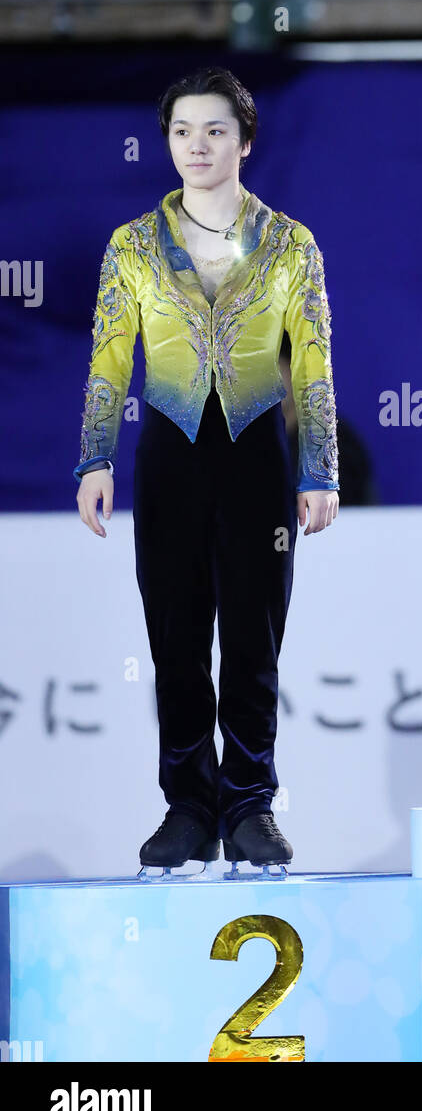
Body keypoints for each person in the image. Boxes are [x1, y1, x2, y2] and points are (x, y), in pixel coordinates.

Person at [74, 66, 339, 867]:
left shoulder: (292, 244)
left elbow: (315, 362)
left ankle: (250, 804)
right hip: (170, 448)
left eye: (215, 130)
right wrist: (95, 457)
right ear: (166, 142)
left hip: (258, 448)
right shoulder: (132, 246)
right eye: (183, 131)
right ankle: (187, 807)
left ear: (246, 141)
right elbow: (109, 358)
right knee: (176, 638)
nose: (197, 145)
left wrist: (319, 468)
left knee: (255, 637)